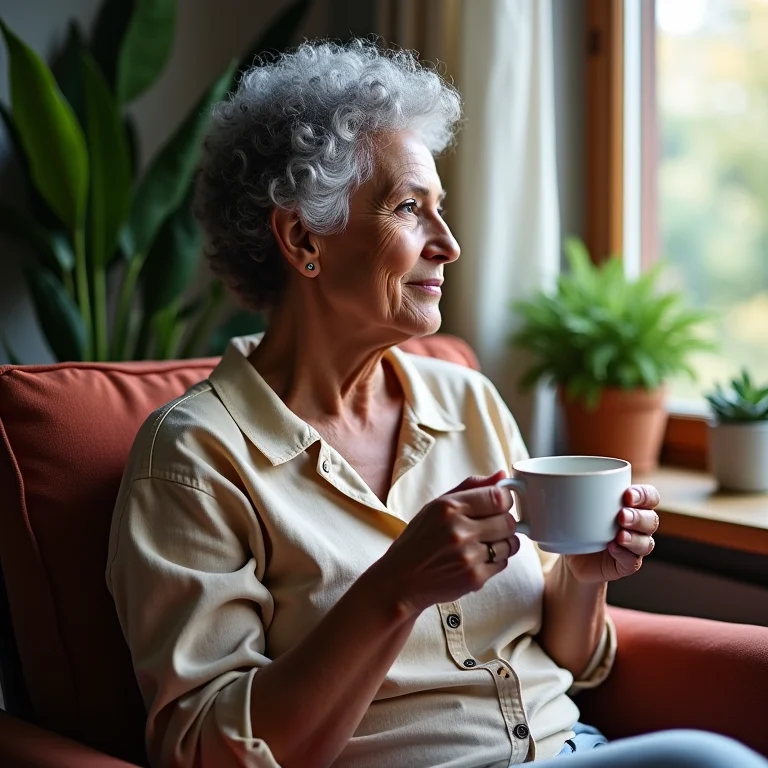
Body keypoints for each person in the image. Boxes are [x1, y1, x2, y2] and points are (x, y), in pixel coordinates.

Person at [106, 40, 768, 768]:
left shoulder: (467, 399)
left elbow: (570, 660)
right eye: (408, 209)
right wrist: (396, 588)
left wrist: (585, 578)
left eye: (440, 211)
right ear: (301, 237)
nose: (448, 245)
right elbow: (209, 749)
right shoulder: (195, 457)